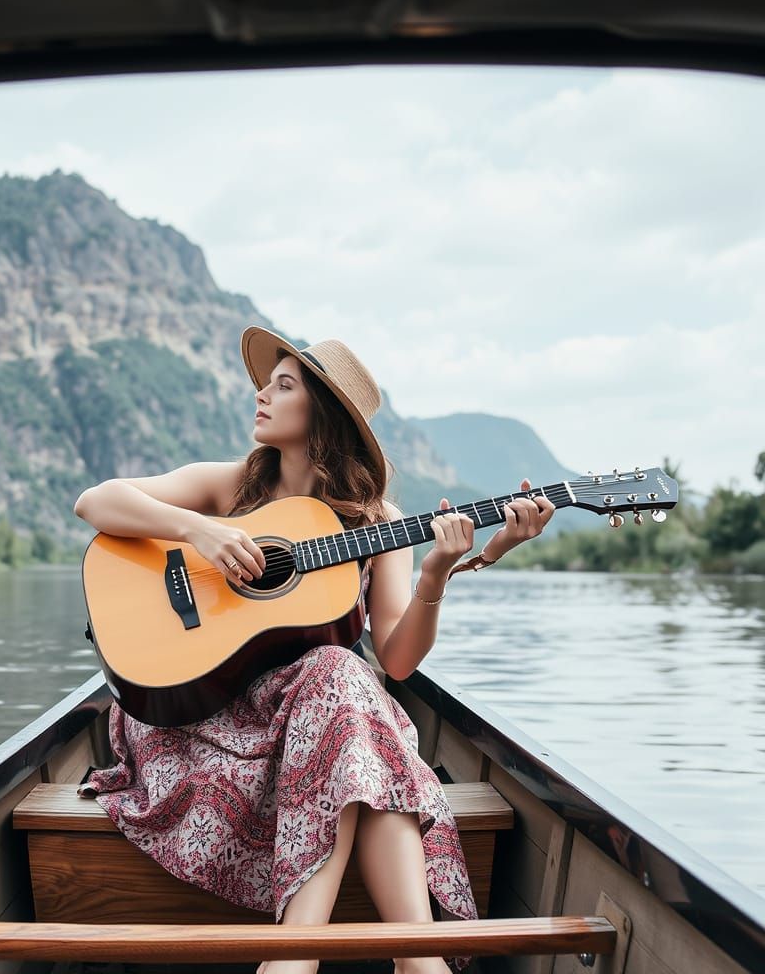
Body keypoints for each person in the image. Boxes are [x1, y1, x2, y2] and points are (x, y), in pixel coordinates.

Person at [73, 325, 556, 974]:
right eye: (265, 383)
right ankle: (413, 956)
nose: (261, 394)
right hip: (198, 714)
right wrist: (201, 532)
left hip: (317, 720)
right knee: (351, 697)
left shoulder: (381, 524)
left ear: (322, 412)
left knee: (340, 673)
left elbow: (398, 660)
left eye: (283, 384)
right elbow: (94, 502)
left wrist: (436, 576)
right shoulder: (230, 487)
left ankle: (307, 960)